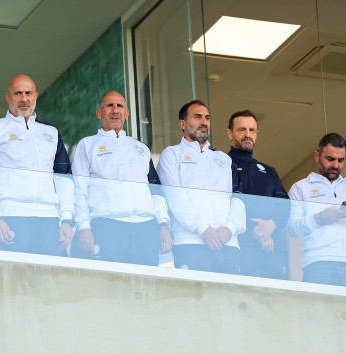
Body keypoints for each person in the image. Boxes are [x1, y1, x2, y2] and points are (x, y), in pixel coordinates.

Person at [71, 91, 171, 266]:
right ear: (99, 113)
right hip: (107, 224)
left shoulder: (141, 148)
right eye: (110, 105)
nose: (115, 110)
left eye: (120, 106)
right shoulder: (87, 145)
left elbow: (155, 191)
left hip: (146, 227)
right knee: (110, 281)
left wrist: (163, 225)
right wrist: (84, 227)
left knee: (146, 281)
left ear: (127, 113)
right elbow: (78, 190)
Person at [0, 74, 74, 256]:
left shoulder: (51, 133)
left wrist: (67, 220)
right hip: (12, 215)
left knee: (49, 273)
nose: (24, 99)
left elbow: (64, 179)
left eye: (28, 93)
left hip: (48, 218)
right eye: (18, 93)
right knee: (13, 273)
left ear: (35, 96)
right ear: (8, 97)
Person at [157, 100, 245, 274]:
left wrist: (230, 230)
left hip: (228, 244)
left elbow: (238, 200)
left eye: (207, 118)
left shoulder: (224, 159)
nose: (204, 122)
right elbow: (175, 198)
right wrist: (202, 229)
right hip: (190, 242)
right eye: (197, 117)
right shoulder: (171, 154)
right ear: (182, 124)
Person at [288, 133, 346, 288]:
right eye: (330, 159)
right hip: (318, 261)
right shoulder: (300, 187)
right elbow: (292, 229)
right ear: (317, 156)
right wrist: (321, 218)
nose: (336, 165)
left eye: (341, 160)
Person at [227, 110, 289, 279]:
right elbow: (226, 203)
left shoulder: (269, 171)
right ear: (230, 133)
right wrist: (258, 231)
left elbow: (285, 205)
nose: (248, 134)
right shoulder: (222, 165)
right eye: (242, 130)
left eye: (252, 130)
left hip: (274, 248)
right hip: (242, 245)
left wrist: (272, 224)